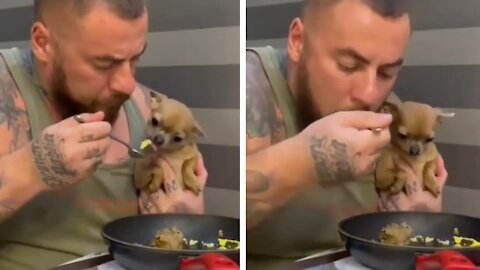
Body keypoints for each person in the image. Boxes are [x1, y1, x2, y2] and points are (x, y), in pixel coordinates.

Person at [0, 0, 208, 269]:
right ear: (43, 43)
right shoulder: (7, 95)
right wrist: (36, 167)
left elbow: (185, 234)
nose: (127, 83)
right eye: (104, 63)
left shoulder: (153, 112)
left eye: (135, 57)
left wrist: (185, 219)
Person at [246, 0, 448, 269]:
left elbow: (394, 234)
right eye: (349, 65)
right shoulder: (250, 89)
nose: (369, 94)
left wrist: (421, 218)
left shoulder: (393, 115)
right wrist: (308, 160)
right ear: (298, 41)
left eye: (387, 72)